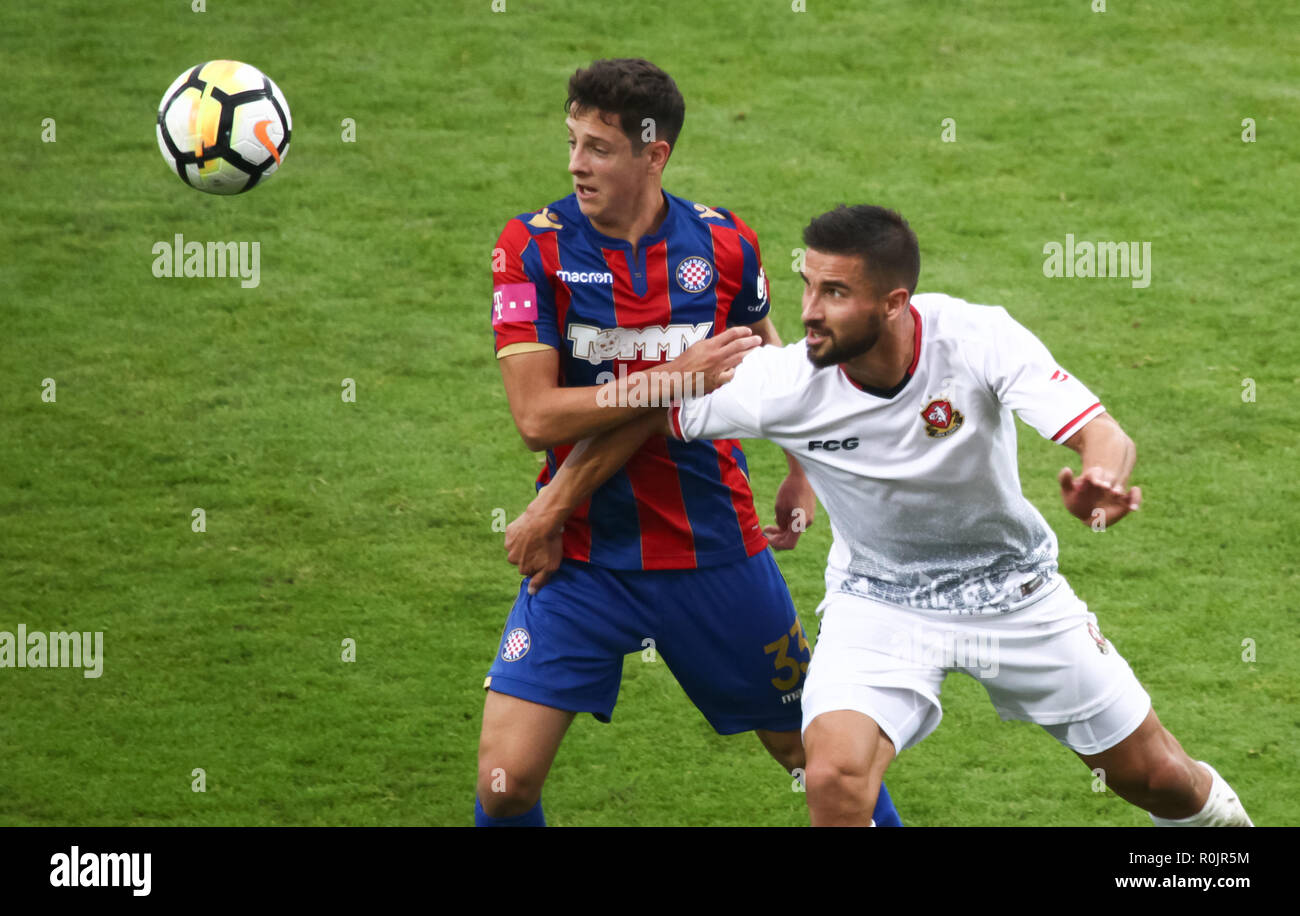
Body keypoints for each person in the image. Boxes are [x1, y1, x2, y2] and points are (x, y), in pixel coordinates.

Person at [507, 203, 1253, 827]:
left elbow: (1102, 432)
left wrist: (1100, 477)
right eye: (807, 286)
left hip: (1014, 593)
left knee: (1157, 779)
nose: (807, 313)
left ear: (895, 304)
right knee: (833, 777)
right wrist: (553, 504)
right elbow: (649, 414)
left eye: (835, 293)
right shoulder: (784, 380)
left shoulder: (975, 337)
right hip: (880, 601)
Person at [480, 60, 902, 826]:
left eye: (599, 148)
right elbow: (537, 418)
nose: (576, 164)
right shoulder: (532, 249)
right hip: (580, 556)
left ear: (654, 154)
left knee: (816, 758)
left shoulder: (724, 243)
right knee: (505, 782)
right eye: (572, 142)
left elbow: (783, 366)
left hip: (716, 550)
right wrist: (676, 374)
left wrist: (798, 472)